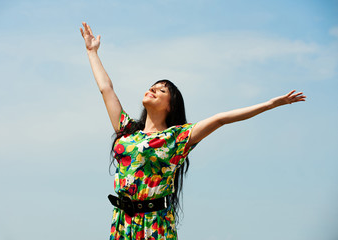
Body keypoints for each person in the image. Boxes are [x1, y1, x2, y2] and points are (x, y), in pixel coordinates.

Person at [80, 22, 306, 240]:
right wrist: (92, 52)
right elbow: (106, 89)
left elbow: (220, 119)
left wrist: (269, 104)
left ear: (171, 106)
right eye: (152, 86)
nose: (153, 89)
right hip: (122, 222)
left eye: (161, 90)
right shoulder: (127, 130)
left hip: (154, 225)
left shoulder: (176, 138)